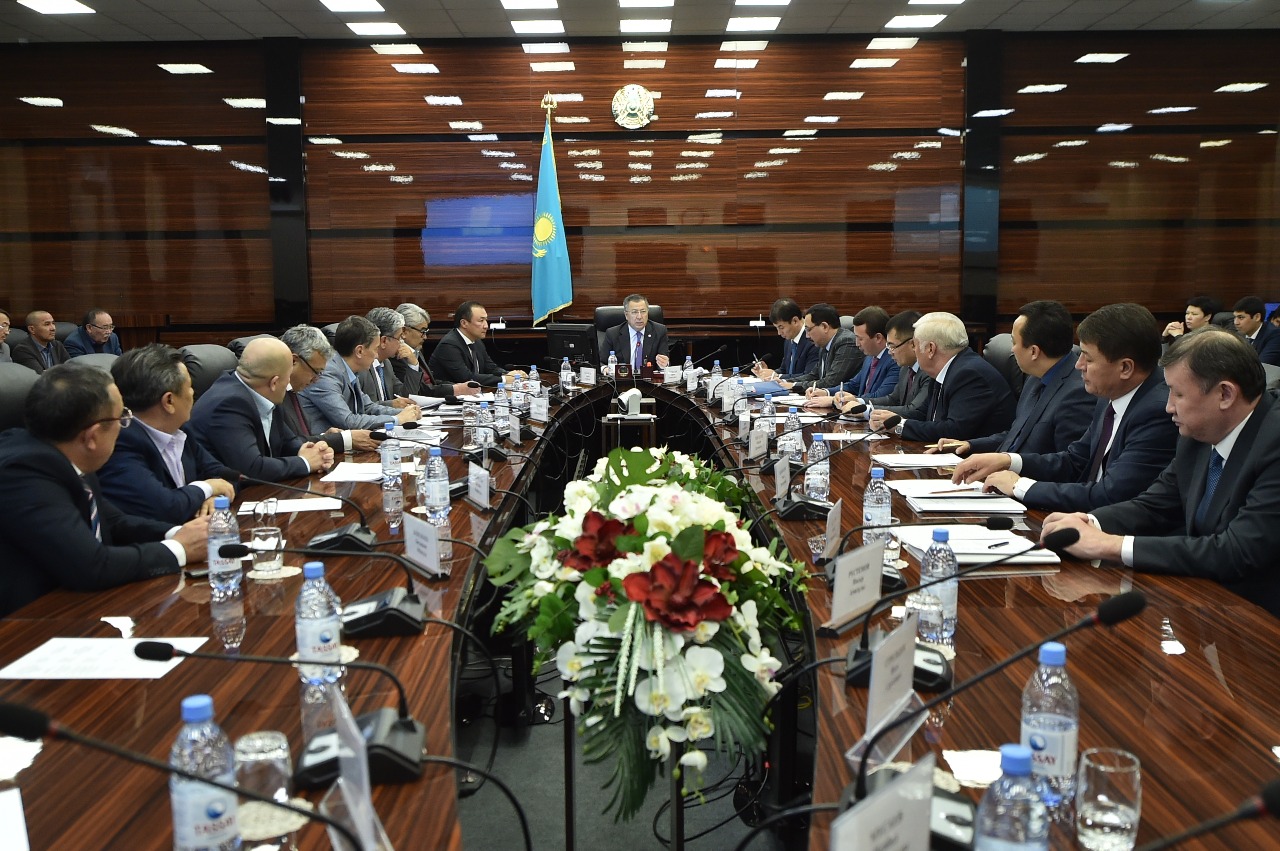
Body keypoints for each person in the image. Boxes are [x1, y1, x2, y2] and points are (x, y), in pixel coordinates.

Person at [1041, 327, 1280, 616]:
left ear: (1225, 394)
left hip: (1261, 618)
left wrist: (1111, 546)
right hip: (1207, 604)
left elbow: (1238, 552)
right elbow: (1155, 506)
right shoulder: (1198, 435)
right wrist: (1090, 523)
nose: (1168, 407)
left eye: (1178, 394)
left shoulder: (1273, 442)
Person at [0, 363, 209, 616]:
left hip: (75, 607)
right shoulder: (23, 473)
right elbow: (91, 566)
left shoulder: (67, 452)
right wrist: (180, 549)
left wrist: (179, 533)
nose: (124, 426)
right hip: (27, 623)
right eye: (122, 418)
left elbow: (114, 522)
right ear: (92, 437)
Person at [952, 303, 1178, 511]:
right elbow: (1075, 460)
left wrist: (1020, 486)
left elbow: (1111, 494)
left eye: (1088, 359)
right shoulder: (1110, 394)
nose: (1079, 365)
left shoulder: (1157, 412)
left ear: (1125, 368)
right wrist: (1010, 461)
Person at [97, 344, 236, 524]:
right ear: (169, 401)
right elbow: (166, 508)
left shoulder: (180, 429)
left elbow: (226, 476)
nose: (193, 393)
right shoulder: (121, 442)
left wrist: (214, 497)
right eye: (190, 386)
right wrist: (206, 488)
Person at [933, 300, 1093, 457]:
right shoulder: (1035, 378)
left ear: (1034, 352)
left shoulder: (1078, 393)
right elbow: (1018, 435)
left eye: (1014, 342)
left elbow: (1069, 464)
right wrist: (970, 445)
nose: (1012, 349)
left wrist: (1010, 463)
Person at [189, 337, 334, 482]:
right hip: (227, 493)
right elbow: (251, 469)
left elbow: (287, 442)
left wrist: (313, 452)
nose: (288, 384)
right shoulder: (228, 404)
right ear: (274, 383)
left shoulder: (264, 392)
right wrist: (305, 463)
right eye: (287, 378)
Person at [872, 311, 1014, 442]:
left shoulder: (969, 374)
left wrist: (900, 426)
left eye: (915, 345)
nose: (914, 350)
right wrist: (889, 420)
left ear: (931, 349)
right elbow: (922, 413)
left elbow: (953, 431)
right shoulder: (944, 370)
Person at [300, 315, 422, 432]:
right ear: (359, 351)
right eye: (375, 349)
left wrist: (407, 413)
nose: (376, 355)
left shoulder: (349, 370)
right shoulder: (327, 374)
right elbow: (348, 421)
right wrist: (397, 419)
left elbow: (368, 407)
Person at [276, 324, 374, 455]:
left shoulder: (293, 390)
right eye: (315, 371)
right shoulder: (274, 396)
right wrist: (341, 440)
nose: (316, 379)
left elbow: (301, 438)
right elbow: (287, 446)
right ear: (294, 361)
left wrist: (324, 436)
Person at [773, 303, 862, 394]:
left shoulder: (846, 342)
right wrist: (786, 382)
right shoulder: (824, 344)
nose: (807, 336)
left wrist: (794, 386)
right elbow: (813, 375)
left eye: (809, 330)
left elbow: (831, 382)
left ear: (824, 327)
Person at [815, 306, 898, 401]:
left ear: (878, 338)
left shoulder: (894, 360)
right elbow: (853, 385)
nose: (857, 343)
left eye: (860, 339)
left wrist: (839, 400)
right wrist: (826, 392)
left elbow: (881, 397)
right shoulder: (869, 357)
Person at [428, 301, 516, 386]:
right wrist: (504, 379)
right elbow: (466, 378)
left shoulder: (477, 341)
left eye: (486, 320)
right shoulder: (449, 345)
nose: (486, 326)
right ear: (464, 323)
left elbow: (490, 367)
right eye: (481, 321)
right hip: (449, 394)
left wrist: (510, 375)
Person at [752, 298, 818, 381]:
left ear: (795, 321)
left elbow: (809, 376)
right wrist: (767, 373)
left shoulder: (813, 339)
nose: (779, 333)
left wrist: (776, 376)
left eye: (781, 327)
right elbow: (784, 370)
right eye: (777, 328)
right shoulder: (789, 339)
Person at [600, 294, 671, 371]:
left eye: (643, 311)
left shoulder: (659, 331)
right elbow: (601, 362)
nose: (639, 317)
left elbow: (664, 362)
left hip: (649, 378)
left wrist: (664, 364)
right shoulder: (613, 334)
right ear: (626, 315)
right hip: (623, 378)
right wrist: (605, 369)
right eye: (634, 312)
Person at [10, 310, 71, 375]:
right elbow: (39, 376)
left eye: (53, 323)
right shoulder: (22, 350)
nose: (53, 328)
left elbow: (71, 369)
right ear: (32, 329)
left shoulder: (57, 345)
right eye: (47, 324)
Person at [1232, 296, 1280, 366]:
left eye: (1241, 317)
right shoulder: (1238, 334)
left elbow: (1261, 366)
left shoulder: (1275, 335)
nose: (1236, 322)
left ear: (1257, 317)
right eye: (1235, 317)